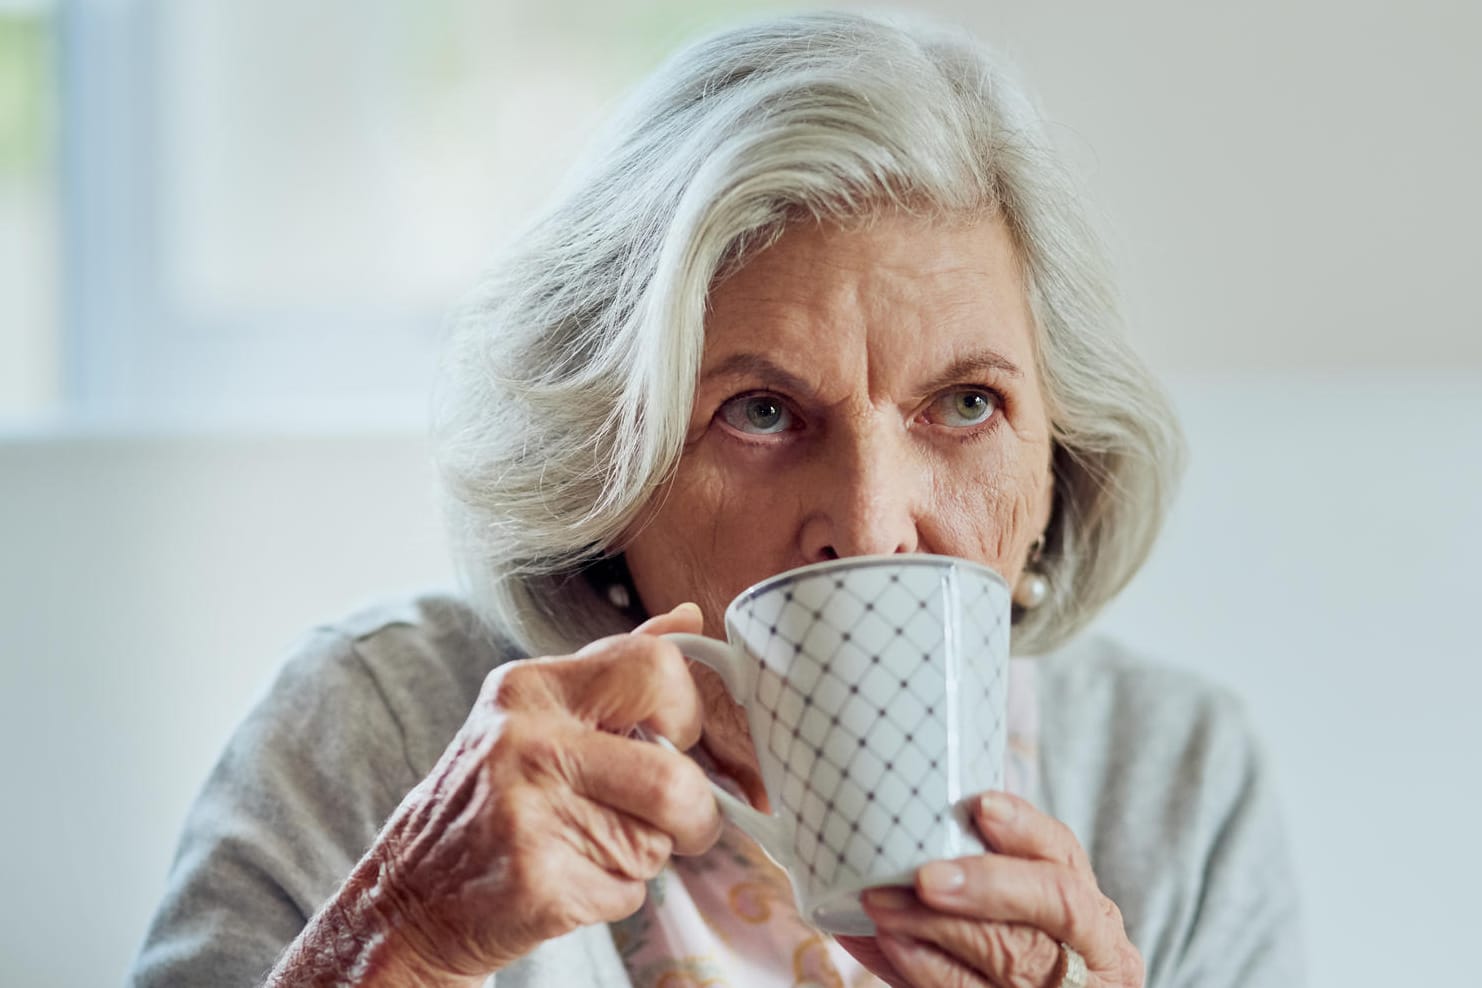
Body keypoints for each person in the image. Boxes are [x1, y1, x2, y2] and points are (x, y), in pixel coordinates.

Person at [131, 11, 1302, 988]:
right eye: (760, 412)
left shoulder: (1173, 783)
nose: (872, 524)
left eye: (964, 406)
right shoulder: (377, 728)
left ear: (1061, 463)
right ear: (609, 474)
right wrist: (402, 938)